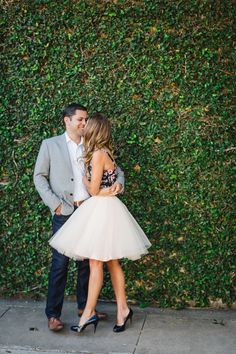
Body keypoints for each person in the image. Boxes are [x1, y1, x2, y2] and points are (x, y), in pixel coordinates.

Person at [49, 113, 151, 333]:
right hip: (105, 209)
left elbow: (93, 189)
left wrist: (84, 178)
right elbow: (108, 180)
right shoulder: (102, 152)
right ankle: (122, 309)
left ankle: (88, 313)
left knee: (97, 262)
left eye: (88, 124)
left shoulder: (96, 154)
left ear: (94, 130)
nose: (84, 126)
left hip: (101, 210)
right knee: (111, 263)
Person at [33, 104, 124, 331]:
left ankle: (86, 308)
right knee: (60, 264)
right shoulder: (50, 145)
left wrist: (119, 183)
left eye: (86, 120)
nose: (84, 124)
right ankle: (53, 314)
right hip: (65, 211)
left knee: (87, 263)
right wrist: (55, 205)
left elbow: (116, 169)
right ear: (67, 120)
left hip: (90, 209)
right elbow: (39, 177)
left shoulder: (92, 145)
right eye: (80, 120)